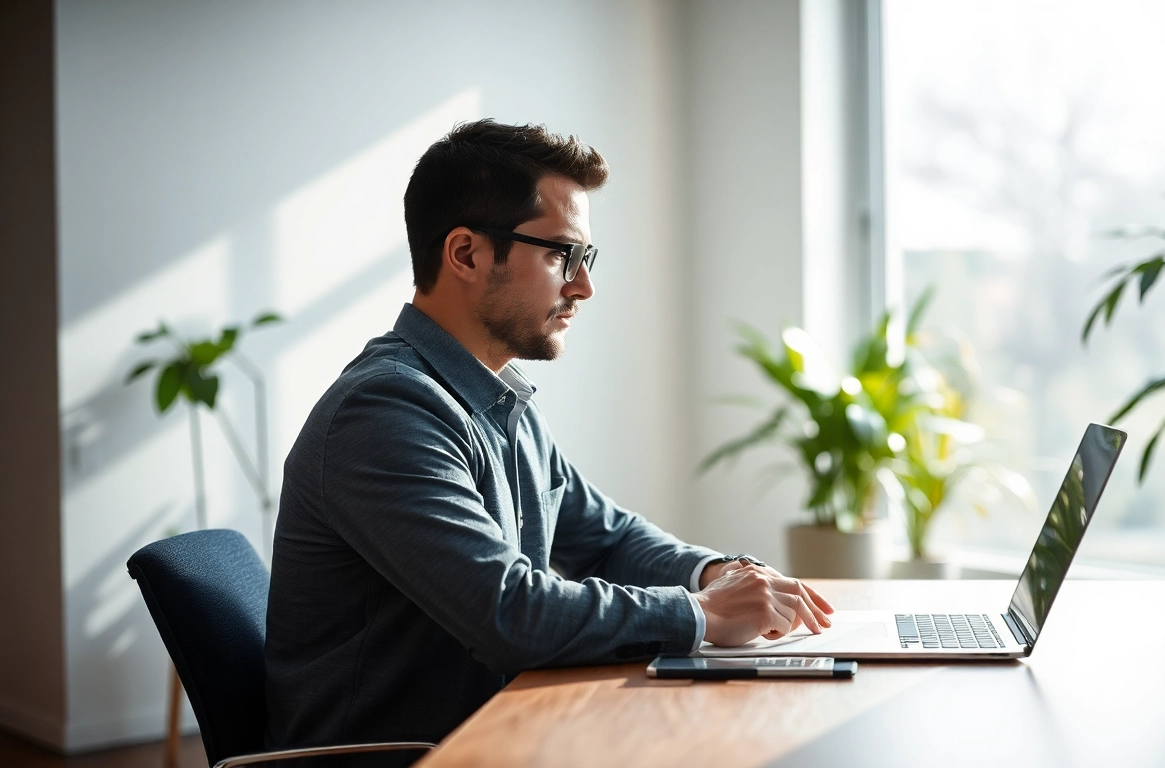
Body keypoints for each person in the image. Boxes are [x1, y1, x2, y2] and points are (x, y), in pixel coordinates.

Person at [264, 119, 834, 759]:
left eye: (585, 257)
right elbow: (510, 612)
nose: (584, 285)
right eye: (562, 254)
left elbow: (605, 535)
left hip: (496, 730)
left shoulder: (498, 399)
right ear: (466, 254)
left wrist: (716, 572)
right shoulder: (384, 412)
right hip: (411, 755)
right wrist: (703, 613)